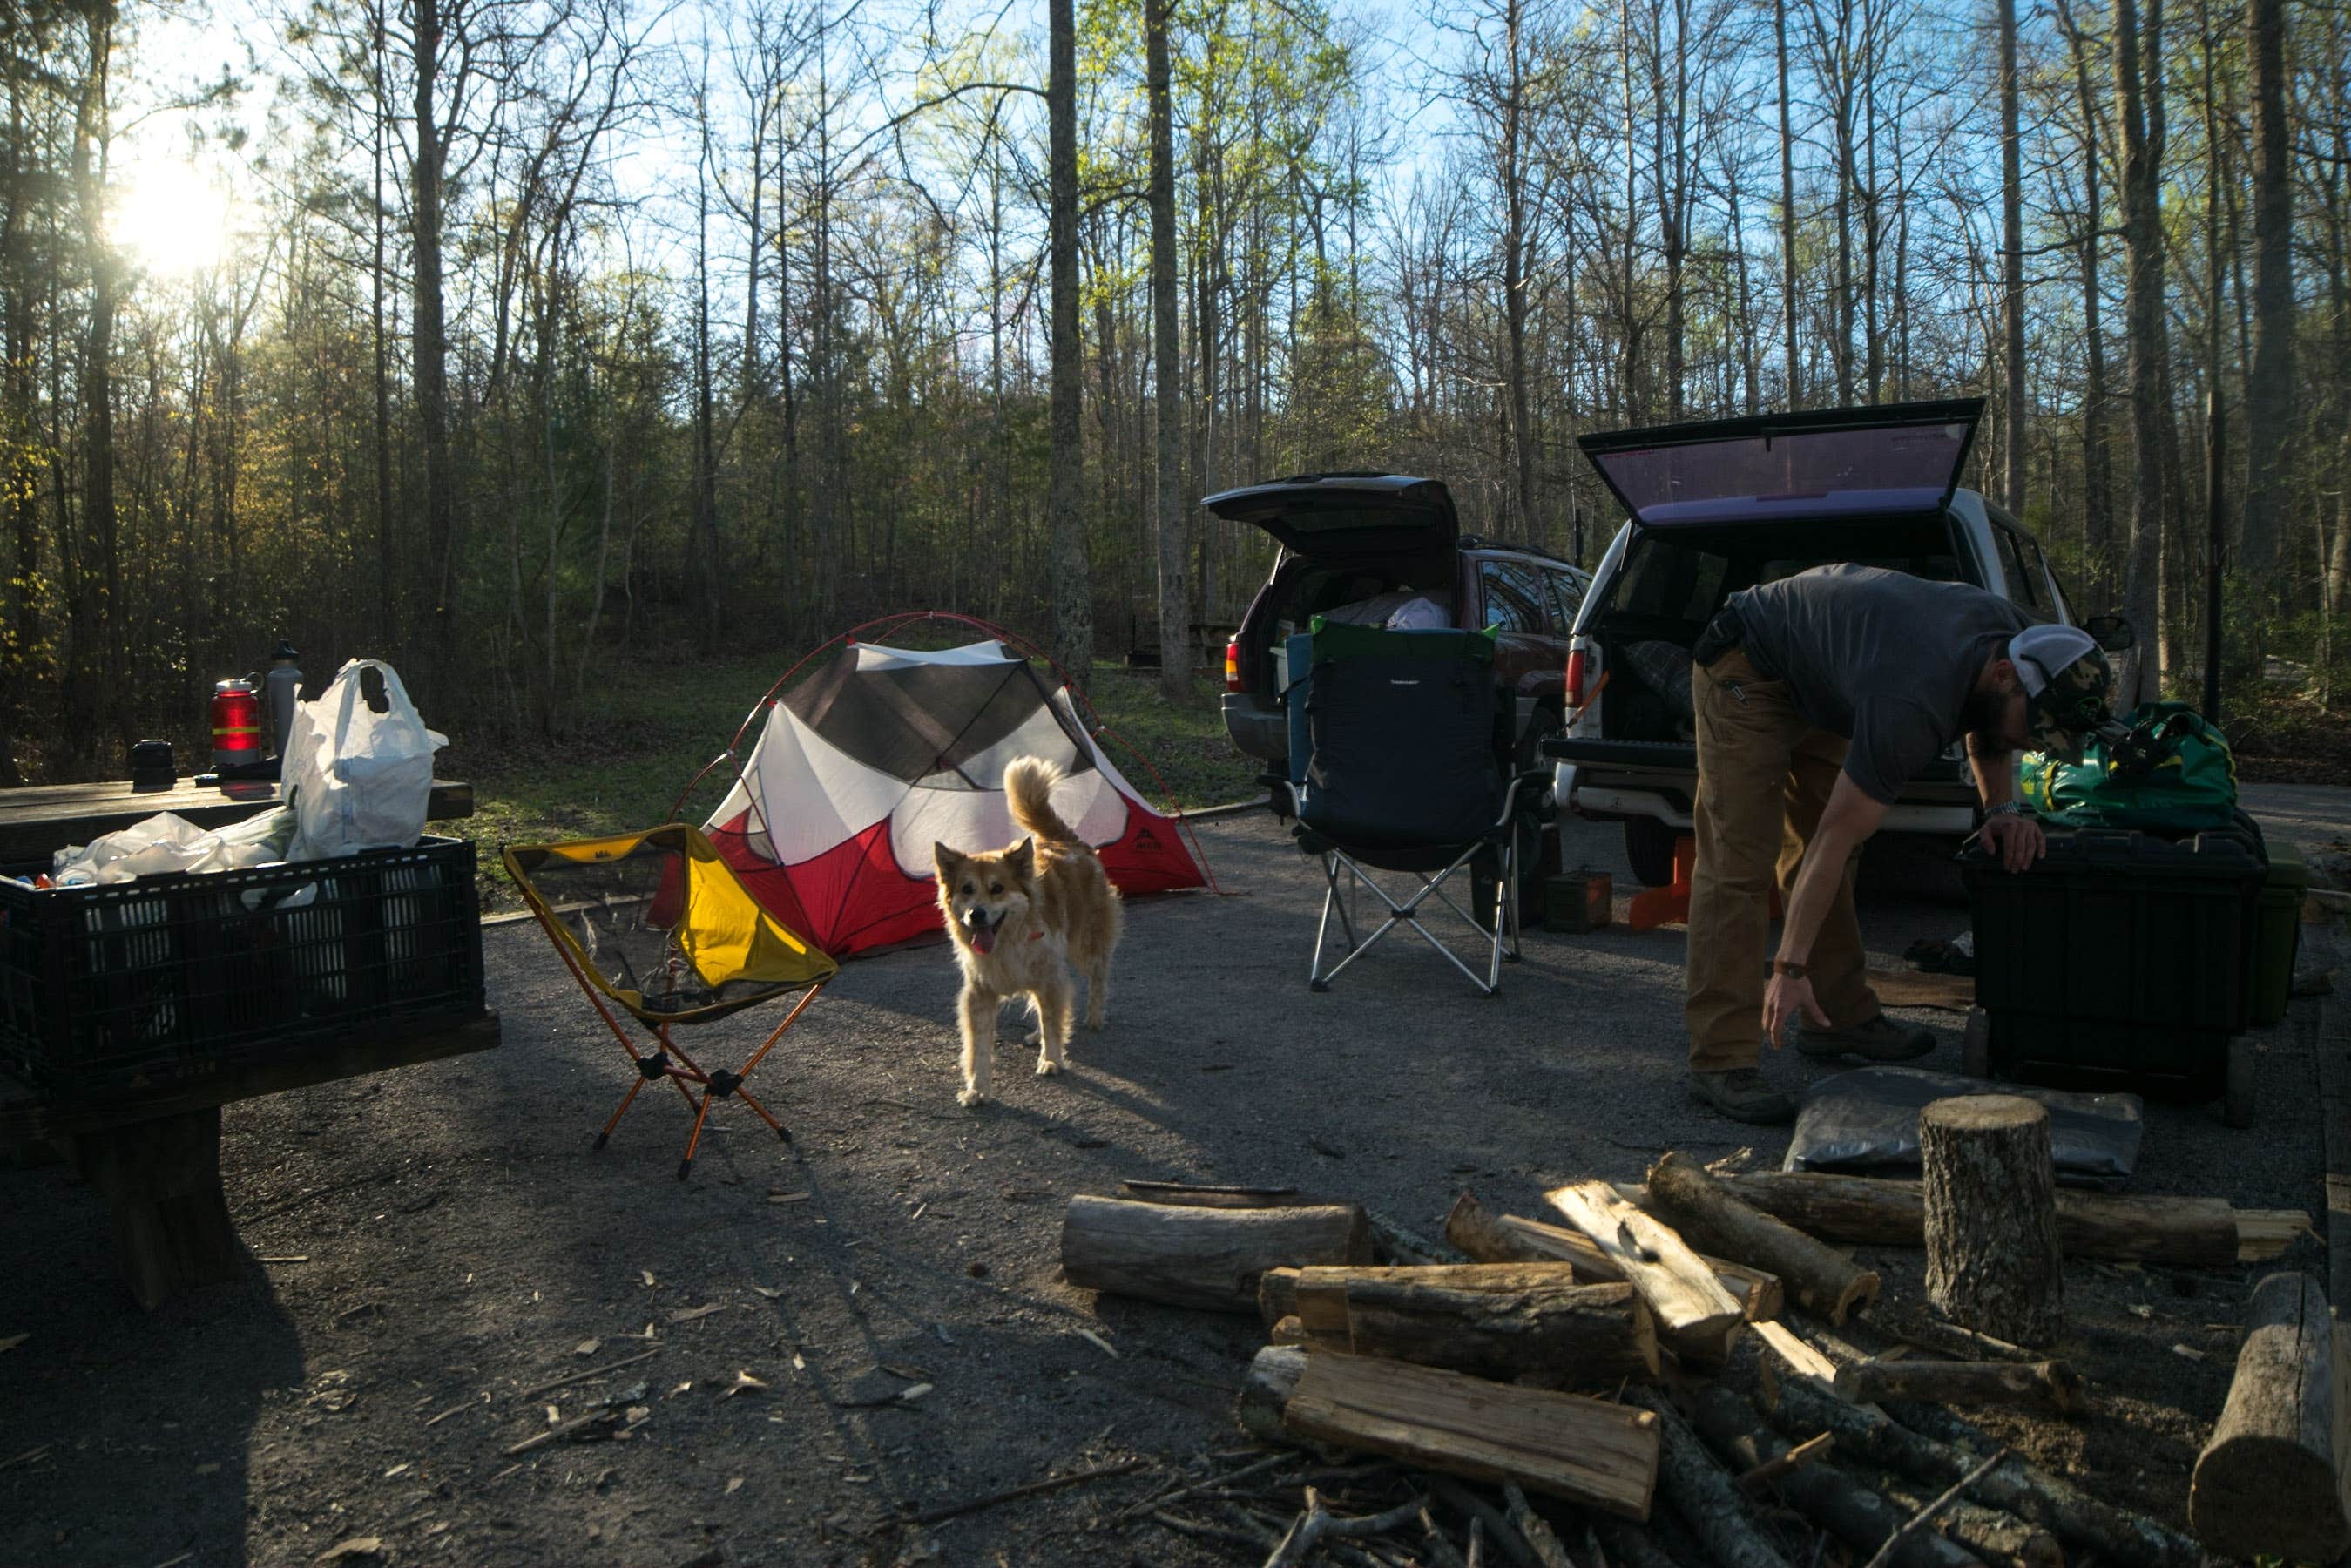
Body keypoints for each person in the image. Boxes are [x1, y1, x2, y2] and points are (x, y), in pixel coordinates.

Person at [1681, 564, 2117, 1124]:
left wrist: (2003, 810)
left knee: (1834, 849)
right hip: (1749, 664)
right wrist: (1787, 969)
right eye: (2035, 730)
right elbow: (1834, 838)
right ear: (2006, 673)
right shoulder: (1913, 698)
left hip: (1824, 678)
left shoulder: (2015, 640)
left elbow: (1990, 726)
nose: (2032, 743)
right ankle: (1720, 1060)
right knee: (1739, 863)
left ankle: (1837, 1020)